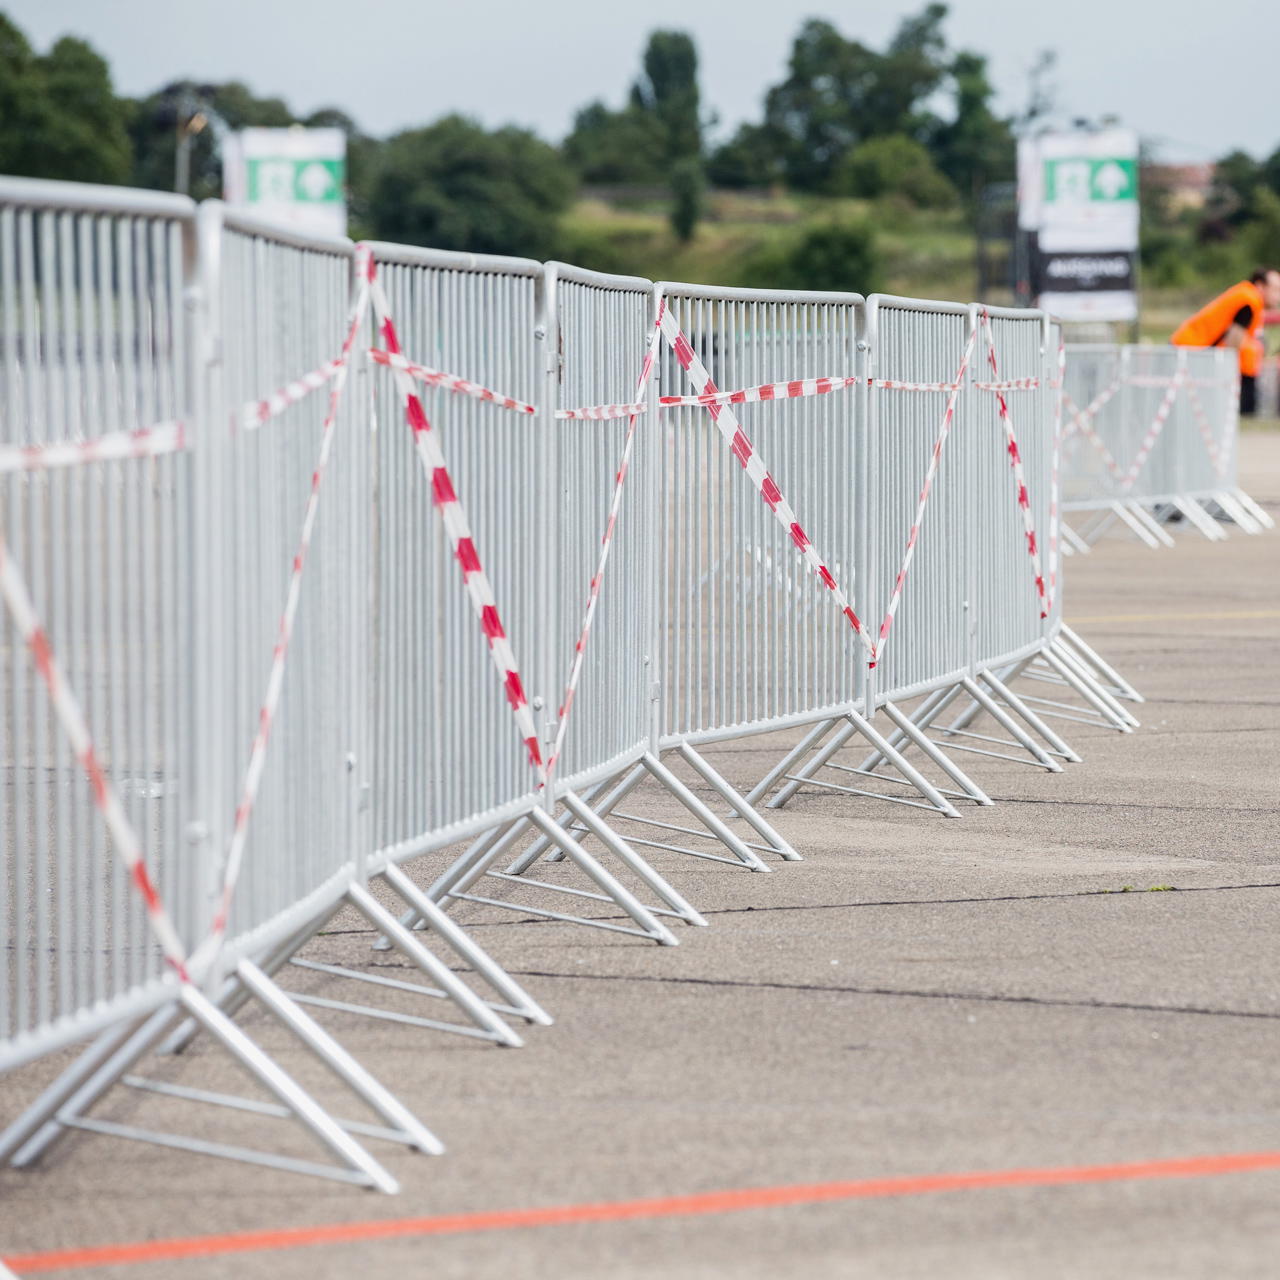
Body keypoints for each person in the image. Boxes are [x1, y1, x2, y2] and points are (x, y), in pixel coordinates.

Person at [1171, 267, 1280, 416]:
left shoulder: (1245, 293)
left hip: (1192, 348)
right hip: (1193, 350)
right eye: (1275, 290)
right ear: (1260, 286)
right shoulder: (1250, 301)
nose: (1278, 296)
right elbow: (1233, 343)